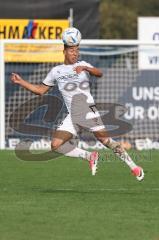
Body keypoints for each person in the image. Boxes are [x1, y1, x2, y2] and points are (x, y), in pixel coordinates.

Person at [10, 41, 144, 181]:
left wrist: (86, 68)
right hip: (73, 115)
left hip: (88, 110)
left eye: (77, 50)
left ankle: (134, 167)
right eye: (72, 50)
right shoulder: (56, 71)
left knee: (105, 140)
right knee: (55, 145)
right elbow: (40, 90)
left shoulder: (83, 64)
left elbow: (99, 73)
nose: (75, 53)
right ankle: (89, 156)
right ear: (64, 51)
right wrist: (21, 82)